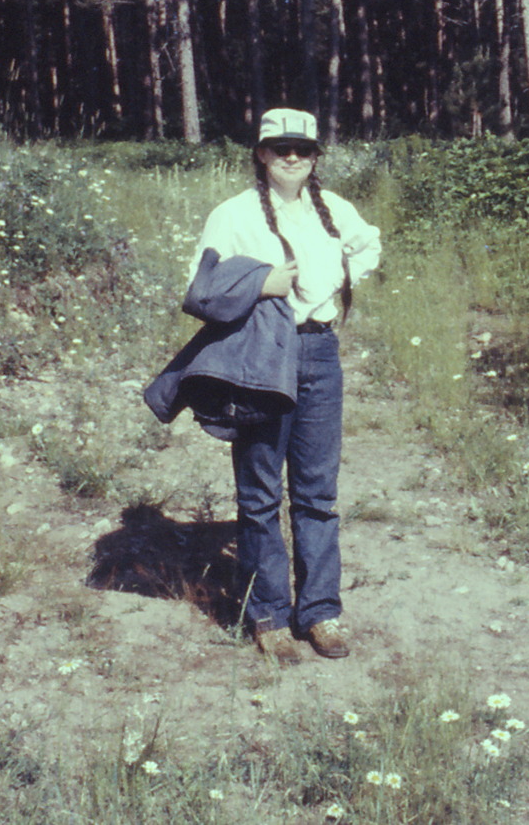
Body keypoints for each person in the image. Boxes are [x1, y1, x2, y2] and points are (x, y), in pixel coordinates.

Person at [189, 108, 381, 663]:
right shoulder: (232, 214)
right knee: (259, 492)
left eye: (302, 148)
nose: (291, 157)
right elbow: (199, 287)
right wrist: (260, 284)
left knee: (317, 493)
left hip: (320, 351)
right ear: (261, 154)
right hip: (260, 354)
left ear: (315, 154)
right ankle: (267, 614)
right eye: (280, 148)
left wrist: (341, 280)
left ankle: (320, 611)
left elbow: (368, 245)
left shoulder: (335, 208)